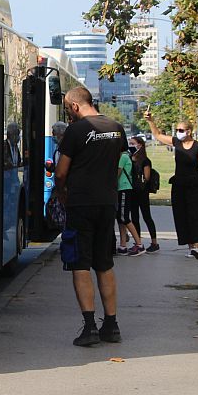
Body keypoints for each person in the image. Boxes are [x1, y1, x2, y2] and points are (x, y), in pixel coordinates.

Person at [54, 87, 127, 346]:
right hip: (107, 203)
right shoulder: (116, 127)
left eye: (67, 108)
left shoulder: (76, 131)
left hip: (81, 204)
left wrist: (61, 192)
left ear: (74, 106)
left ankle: (89, 327)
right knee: (104, 263)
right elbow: (117, 164)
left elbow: (61, 172)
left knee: (80, 264)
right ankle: (112, 325)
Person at [145, 113, 198, 259]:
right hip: (179, 183)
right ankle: (190, 246)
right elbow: (158, 135)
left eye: (181, 130)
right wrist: (150, 121)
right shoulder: (176, 143)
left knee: (194, 215)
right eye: (177, 130)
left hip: (194, 185)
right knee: (181, 215)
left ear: (189, 131)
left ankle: (197, 247)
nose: (178, 133)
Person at [129, 136, 159, 252]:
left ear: (140, 145)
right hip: (132, 191)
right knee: (134, 217)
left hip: (142, 192)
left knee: (147, 216)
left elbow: (147, 177)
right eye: (130, 143)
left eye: (133, 143)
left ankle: (154, 242)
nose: (130, 145)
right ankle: (138, 242)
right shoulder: (130, 158)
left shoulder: (145, 160)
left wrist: (139, 181)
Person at [116, 147, 145, 256]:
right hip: (120, 189)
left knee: (125, 218)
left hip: (124, 188)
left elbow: (117, 173)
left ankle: (139, 244)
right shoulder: (124, 156)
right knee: (120, 218)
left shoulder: (123, 157)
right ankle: (123, 245)